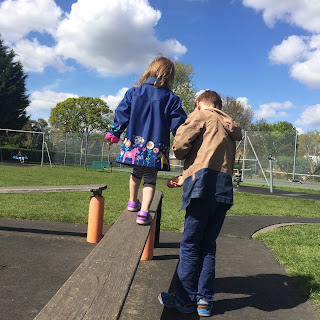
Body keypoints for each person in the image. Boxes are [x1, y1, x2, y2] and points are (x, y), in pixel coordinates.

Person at [158, 90, 242, 317]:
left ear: (198, 104)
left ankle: (185, 300)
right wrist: (185, 178)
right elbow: (210, 158)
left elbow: (180, 145)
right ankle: (204, 301)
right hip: (223, 189)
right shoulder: (229, 126)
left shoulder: (201, 115)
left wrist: (180, 154)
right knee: (208, 246)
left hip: (202, 187)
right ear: (219, 105)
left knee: (190, 244)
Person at [105, 56, 187, 225]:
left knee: (136, 173)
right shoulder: (171, 98)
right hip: (155, 148)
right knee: (150, 179)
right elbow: (179, 124)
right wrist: (185, 142)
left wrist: (114, 133)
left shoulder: (134, 92)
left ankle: (132, 201)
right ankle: (143, 213)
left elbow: (122, 114)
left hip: (134, 145)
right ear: (168, 76)